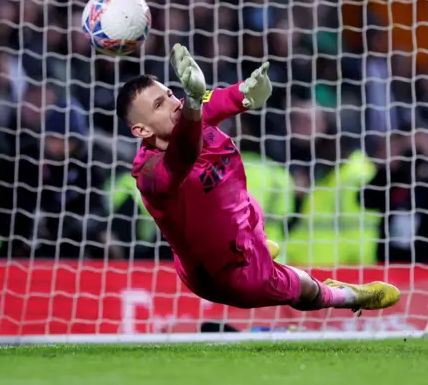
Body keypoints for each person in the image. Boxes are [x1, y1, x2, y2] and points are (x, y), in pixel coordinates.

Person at [116, 44, 400, 313]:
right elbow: (183, 156)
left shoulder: (190, 113)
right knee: (304, 287)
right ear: (141, 131)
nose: (172, 103)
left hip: (241, 225)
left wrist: (247, 93)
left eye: (169, 94)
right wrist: (192, 102)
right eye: (159, 105)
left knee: (249, 201)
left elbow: (221, 100)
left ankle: (258, 243)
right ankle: (348, 296)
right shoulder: (151, 175)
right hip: (226, 274)